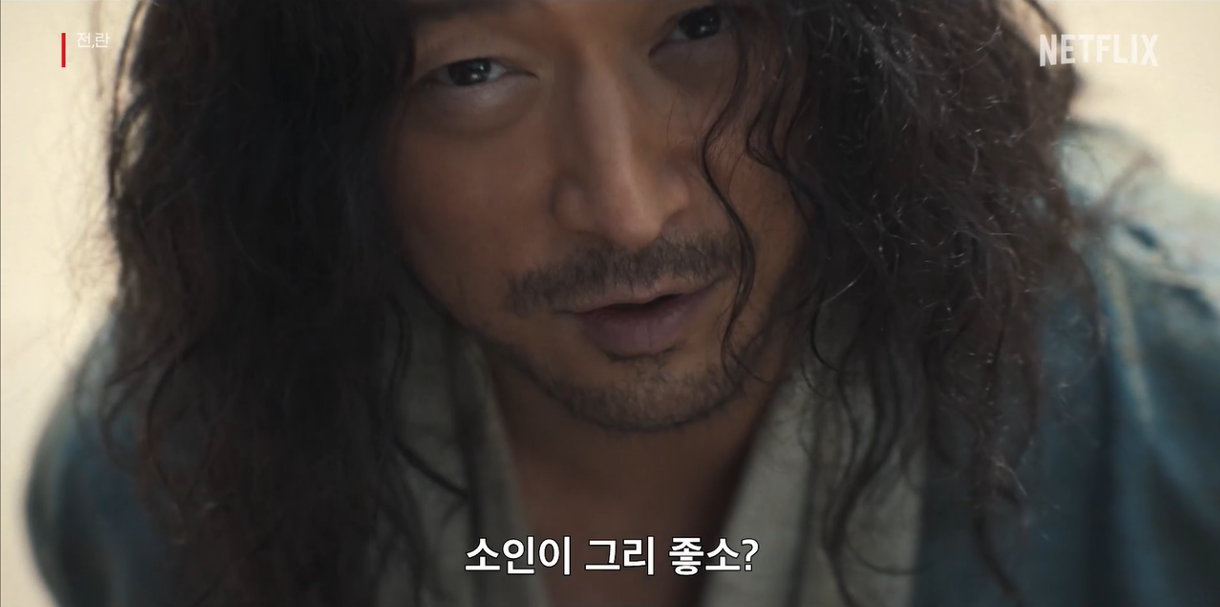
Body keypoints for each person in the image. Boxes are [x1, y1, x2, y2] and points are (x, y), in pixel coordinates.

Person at [23, 1, 1220, 606]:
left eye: (699, 26)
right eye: (472, 72)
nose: (627, 210)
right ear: (306, 135)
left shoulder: (1169, 403)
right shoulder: (176, 466)